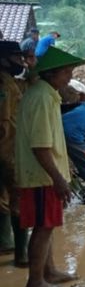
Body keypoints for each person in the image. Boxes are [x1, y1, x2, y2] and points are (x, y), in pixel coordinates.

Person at [15, 46, 85, 287]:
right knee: (43, 227)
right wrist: (58, 178)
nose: (69, 76)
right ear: (52, 74)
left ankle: (49, 271)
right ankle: (35, 283)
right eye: (67, 72)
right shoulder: (43, 98)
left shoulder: (45, 94)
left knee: (46, 224)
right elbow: (40, 146)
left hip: (44, 173)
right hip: (42, 176)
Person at [0, 41, 28, 267]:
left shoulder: (12, 82)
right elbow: (4, 125)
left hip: (9, 150)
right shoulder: (4, 85)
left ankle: (5, 242)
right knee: (17, 200)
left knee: (4, 199)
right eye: (17, 57)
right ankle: (22, 254)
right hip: (8, 152)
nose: (21, 62)